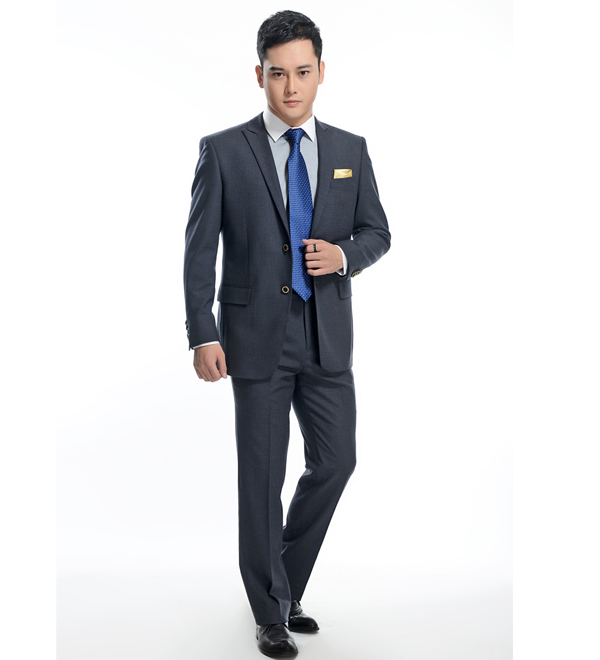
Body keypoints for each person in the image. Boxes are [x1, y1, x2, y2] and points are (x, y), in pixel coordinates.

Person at [183, 10, 391, 658]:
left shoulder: (351, 149)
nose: (291, 86)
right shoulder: (224, 150)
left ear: (321, 72)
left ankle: (284, 585)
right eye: (278, 74)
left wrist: (344, 255)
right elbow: (199, 252)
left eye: (303, 72)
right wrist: (202, 333)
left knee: (336, 462)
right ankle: (269, 612)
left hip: (326, 334)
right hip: (253, 339)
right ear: (260, 75)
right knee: (261, 477)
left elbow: (378, 231)